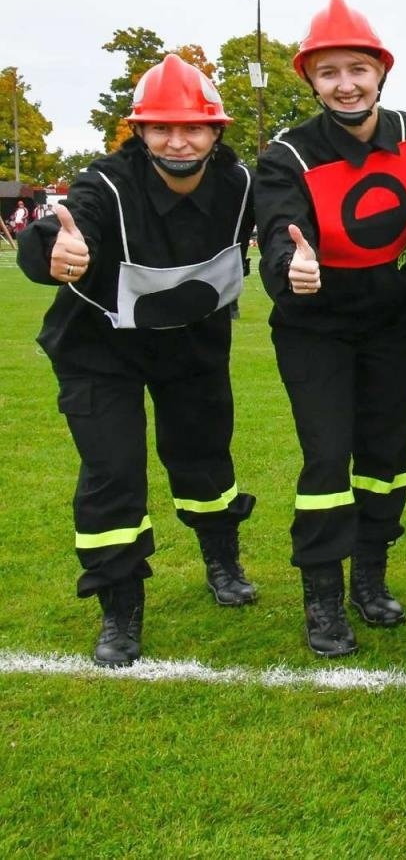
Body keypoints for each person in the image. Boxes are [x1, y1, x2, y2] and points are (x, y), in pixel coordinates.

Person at [18, 55, 257, 667]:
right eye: (160, 127)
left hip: (193, 345)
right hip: (100, 351)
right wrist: (52, 250)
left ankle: (221, 559)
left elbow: (286, 227)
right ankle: (119, 607)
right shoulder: (105, 184)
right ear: (139, 132)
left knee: (204, 459)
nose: (178, 140)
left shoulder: (241, 186)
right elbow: (60, 231)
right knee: (113, 472)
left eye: (193, 127)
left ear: (216, 132)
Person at [256, 0, 406, 658]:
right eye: (329, 72)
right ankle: (323, 599)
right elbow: (277, 228)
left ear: (380, 72)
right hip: (317, 326)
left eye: (357, 68)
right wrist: (290, 265)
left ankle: (372, 577)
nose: (346, 83)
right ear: (311, 80)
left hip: (393, 320)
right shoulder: (287, 155)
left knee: (386, 458)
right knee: (329, 457)